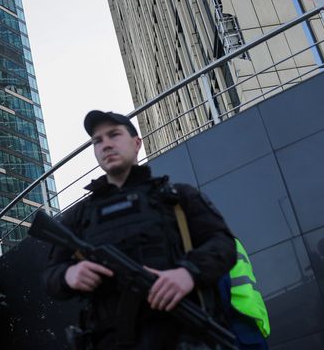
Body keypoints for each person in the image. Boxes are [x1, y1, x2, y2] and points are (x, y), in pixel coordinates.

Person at [43, 110, 236, 349]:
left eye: (114, 135)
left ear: (137, 143)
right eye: (98, 141)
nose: (106, 145)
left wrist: (188, 272)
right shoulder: (79, 216)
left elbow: (223, 244)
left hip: (180, 336)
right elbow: (50, 276)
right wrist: (68, 275)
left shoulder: (177, 197)